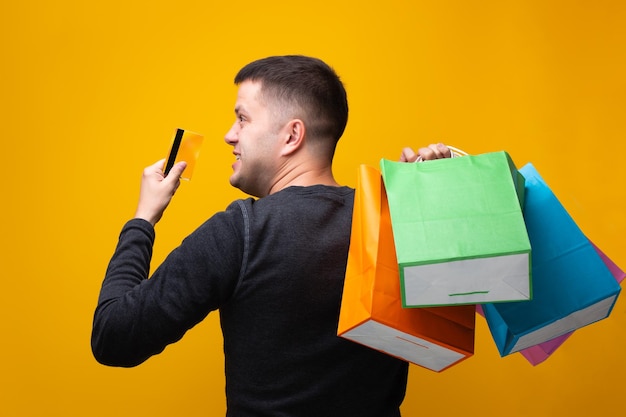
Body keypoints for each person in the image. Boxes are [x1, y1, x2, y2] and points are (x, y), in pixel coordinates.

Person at [91, 55, 452, 417]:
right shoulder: (393, 222)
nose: (229, 134)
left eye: (242, 118)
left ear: (292, 135)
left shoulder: (239, 232)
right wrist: (427, 206)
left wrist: (143, 219)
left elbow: (113, 338)